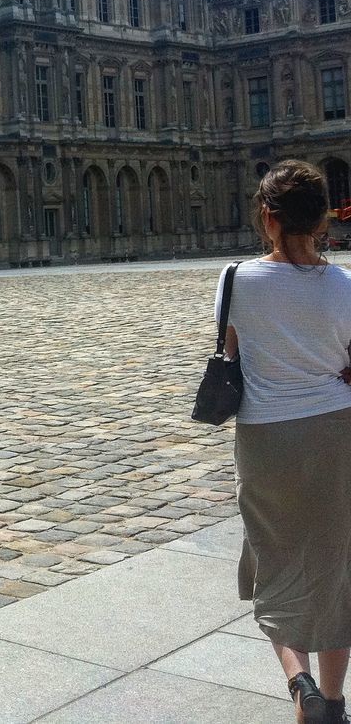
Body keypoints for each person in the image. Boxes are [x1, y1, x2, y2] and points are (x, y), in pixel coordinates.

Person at [220, 160, 351, 724]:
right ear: (322, 219)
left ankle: (299, 684)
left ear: (267, 219)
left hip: (265, 435)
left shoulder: (235, 280)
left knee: (273, 556)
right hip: (336, 431)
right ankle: (335, 701)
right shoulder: (345, 284)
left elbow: (230, 354)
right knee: (334, 563)